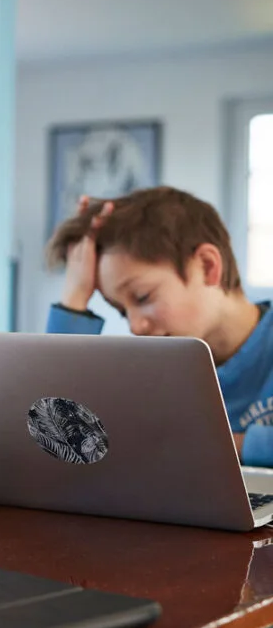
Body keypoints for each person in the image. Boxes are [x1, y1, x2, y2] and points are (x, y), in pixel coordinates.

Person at [46, 187, 273, 467]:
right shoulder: (155, 364)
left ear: (207, 266)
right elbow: (57, 436)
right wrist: (74, 298)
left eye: (143, 297)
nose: (135, 326)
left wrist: (225, 444)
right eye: (120, 311)